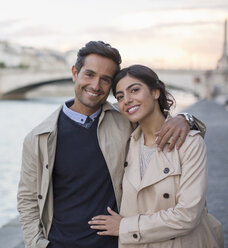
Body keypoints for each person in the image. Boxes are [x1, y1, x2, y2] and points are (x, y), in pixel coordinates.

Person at [17, 41, 204, 248]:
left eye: (105, 80)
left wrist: (186, 119)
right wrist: (36, 244)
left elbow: (156, 120)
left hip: (118, 242)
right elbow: (28, 198)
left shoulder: (125, 120)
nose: (96, 86)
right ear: (74, 73)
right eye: (89, 75)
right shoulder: (39, 138)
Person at [89, 64, 223, 247]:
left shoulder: (189, 144)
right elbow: (87, 111)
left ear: (156, 92)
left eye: (134, 90)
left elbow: (188, 215)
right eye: (119, 97)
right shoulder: (124, 142)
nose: (126, 100)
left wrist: (124, 226)